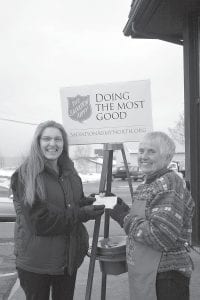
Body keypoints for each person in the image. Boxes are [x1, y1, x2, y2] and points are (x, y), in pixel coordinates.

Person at [10, 120, 105, 300]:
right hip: (36, 264)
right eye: (46, 139)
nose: (52, 144)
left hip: (67, 261)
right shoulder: (26, 175)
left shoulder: (70, 173)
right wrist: (83, 213)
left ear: (64, 143)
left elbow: (71, 206)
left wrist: (89, 202)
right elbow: (40, 222)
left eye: (57, 139)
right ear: (38, 143)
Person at [110, 131, 195, 300]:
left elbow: (160, 236)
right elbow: (148, 218)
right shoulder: (148, 183)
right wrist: (121, 208)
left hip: (166, 277)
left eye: (151, 151)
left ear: (167, 157)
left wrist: (124, 218)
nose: (143, 156)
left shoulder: (170, 184)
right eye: (141, 151)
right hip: (147, 271)